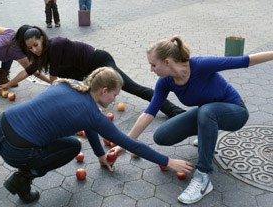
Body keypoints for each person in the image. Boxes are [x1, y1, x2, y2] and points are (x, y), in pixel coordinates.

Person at [0, 67, 193, 203]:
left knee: (3, 124)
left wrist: (99, 155)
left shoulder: (69, 83)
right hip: (16, 152)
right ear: (104, 90)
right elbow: (128, 143)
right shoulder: (92, 115)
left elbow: (90, 124)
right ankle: (24, 178)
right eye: (114, 95)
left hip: (1, 126)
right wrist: (167, 161)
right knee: (73, 145)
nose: (115, 99)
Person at [111, 35, 273, 204]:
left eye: (153, 65)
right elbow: (148, 113)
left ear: (167, 62)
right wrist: (125, 144)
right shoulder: (165, 82)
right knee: (161, 136)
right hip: (207, 113)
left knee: (207, 111)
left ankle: (203, 176)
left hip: (235, 112)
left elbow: (247, 60)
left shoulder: (200, 65)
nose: (151, 69)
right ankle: (207, 134)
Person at [0, 27, 185, 118]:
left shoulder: (55, 45)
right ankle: (84, 107)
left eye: (36, 45)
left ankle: (174, 111)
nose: (35, 50)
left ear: (42, 39)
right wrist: (6, 84)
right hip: (84, 71)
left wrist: (48, 102)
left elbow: (54, 79)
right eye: (30, 48)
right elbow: (28, 71)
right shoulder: (42, 54)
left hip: (100, 62)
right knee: (74, 85)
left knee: (133, 88)